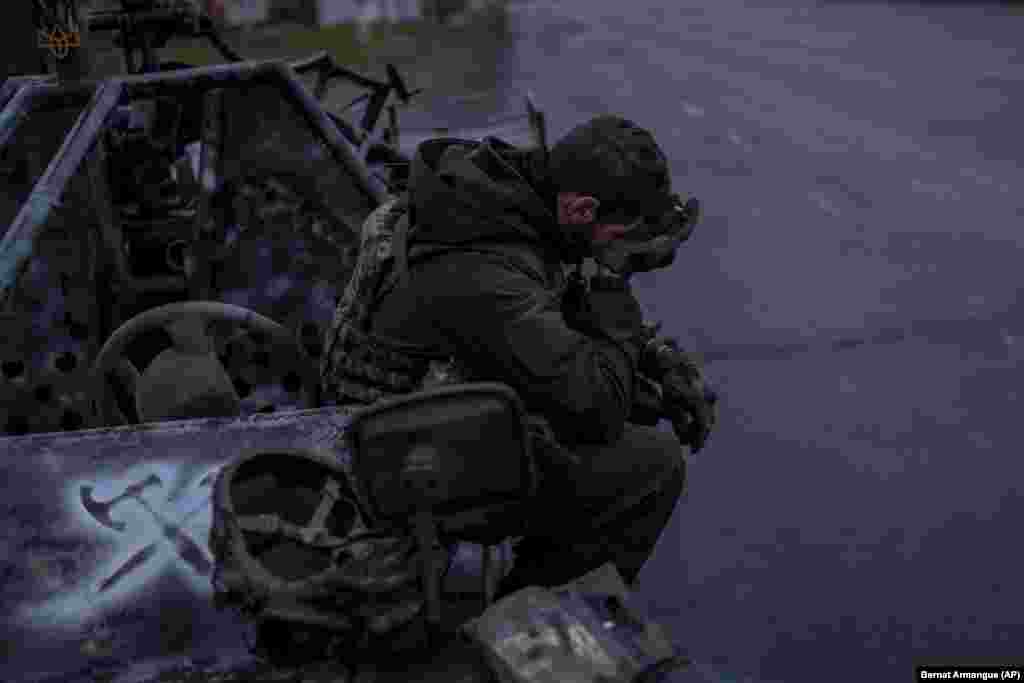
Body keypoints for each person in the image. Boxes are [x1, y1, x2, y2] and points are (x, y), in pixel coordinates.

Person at [322, 115, 717, 596]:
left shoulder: (501, 202)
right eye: (621, 244)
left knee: (641, 398)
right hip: (397, 453)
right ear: (581, 209)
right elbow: (594, 408)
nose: (623, 260)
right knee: (652, 469)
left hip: (435, 405)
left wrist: (658, 362)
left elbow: (563, 309)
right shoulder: (480, 260)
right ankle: (527, 618)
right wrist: (615, 288)